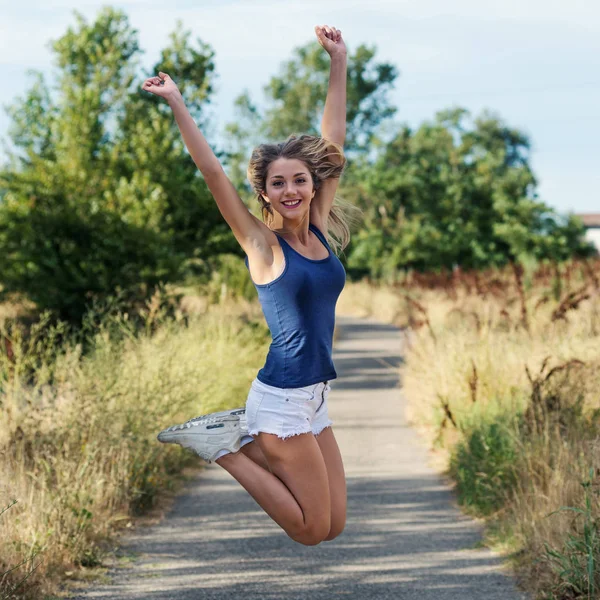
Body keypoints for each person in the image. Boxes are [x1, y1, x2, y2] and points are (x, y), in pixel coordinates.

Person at [143, 25, 354, 547]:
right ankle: (224, 448)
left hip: (314, 397)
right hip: (281, 399)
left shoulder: (321, 231)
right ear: (264, 192)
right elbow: (212, 172)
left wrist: (338, 62)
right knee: (309, 530)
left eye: (299, 180)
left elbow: (332, 144)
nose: (291, 190)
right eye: (277, 183)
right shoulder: (263, 246)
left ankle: (247, 441)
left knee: (335, 525)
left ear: (312, 185)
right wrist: (176, 102)